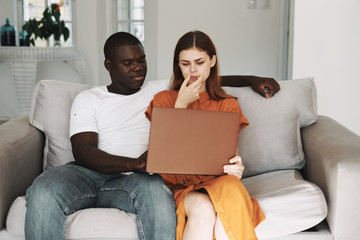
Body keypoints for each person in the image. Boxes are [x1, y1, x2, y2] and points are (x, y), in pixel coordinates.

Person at [24, 31, 278, 240]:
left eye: (141, 60)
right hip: (90, 172)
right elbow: (83, 152)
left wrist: (253, 79)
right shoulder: (90, 98)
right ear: (109, 65)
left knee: (157, 193)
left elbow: (202, 76)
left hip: (138, 179)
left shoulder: (160, 89)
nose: (138, 68)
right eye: (128, 63)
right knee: (44, 187)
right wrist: (135, 163)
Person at [145, 30, 265, 240]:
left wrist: (236, 168)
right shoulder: (163, 100)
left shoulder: (228, 105)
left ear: (212, 61)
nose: (192, 70)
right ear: (178, 65)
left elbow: (228, 157)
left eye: (199, 62)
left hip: (218, 184)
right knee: (204, 207)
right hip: (178, 188)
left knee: (230, 190)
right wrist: (180, 105)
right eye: (185, 63)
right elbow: (162, 154)